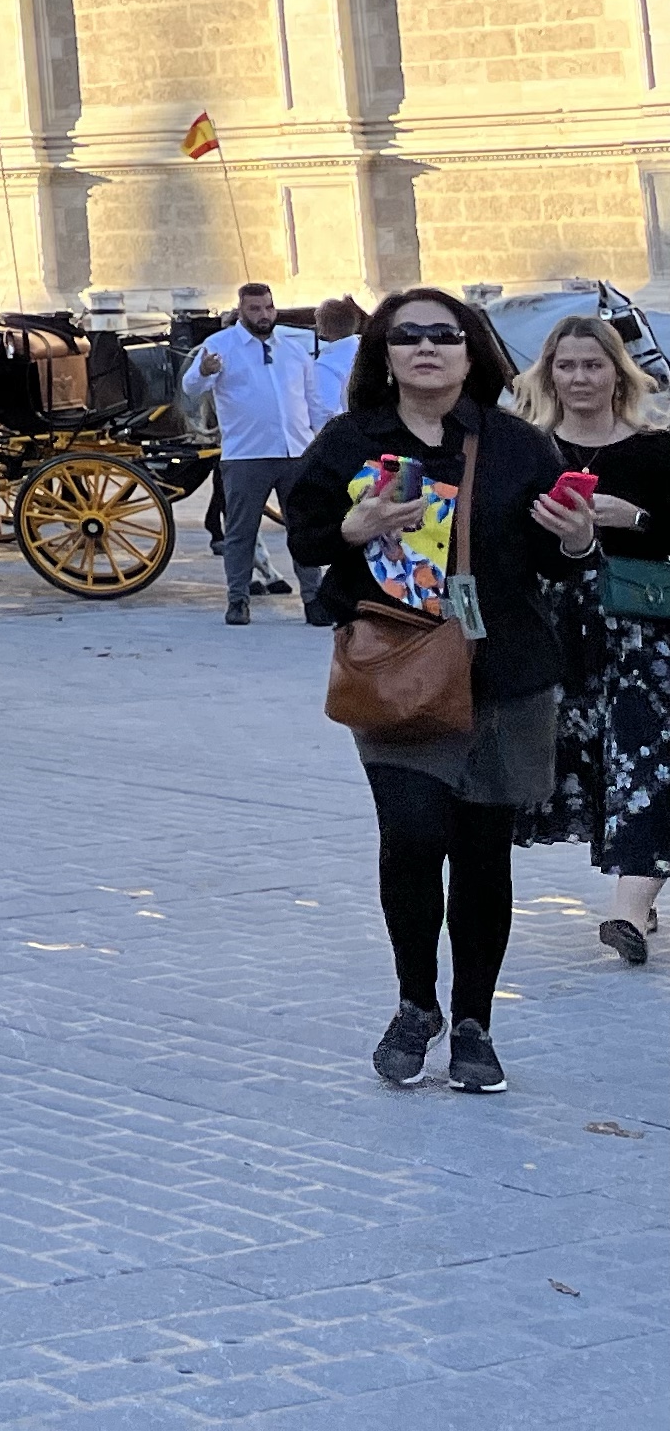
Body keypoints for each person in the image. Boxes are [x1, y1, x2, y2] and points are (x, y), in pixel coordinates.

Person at [283, 285, 593, 1093]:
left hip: (504, 671)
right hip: (399, 669)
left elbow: (559, 560)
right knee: (414, 838)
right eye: (408, 335)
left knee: (484, 855)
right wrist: (350, 529)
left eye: (444, 335)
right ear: (383, 354)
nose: (426, 347)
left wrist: (578, 540)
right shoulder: (352, 440)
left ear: (470, 351)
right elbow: (306, 532)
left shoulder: (517, 443)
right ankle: (415, 1003)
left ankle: (474, 1023)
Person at [507, 314, 670, 966]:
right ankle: (641, 896)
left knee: (649, 758)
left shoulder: (657, 450)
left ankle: (627, 911)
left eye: (593, 365)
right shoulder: (529, 452)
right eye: (567, 365)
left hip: (644, 635)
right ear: (549, 375)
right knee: (593, 764)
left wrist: (637, 518)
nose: (580, 378)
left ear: (617, 374)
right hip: (557, 635)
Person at [186, 282, 323, 624]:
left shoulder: (293, 350)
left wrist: (324, 440)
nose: (264, 315)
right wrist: (204, 372)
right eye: (255, 309)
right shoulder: (220, 346)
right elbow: (191, 387)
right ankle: (238, 599)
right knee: (240, 532)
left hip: (296, 452)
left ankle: (314, 599)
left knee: (303, 529)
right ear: (241, 310)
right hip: (247, 455)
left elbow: (313, 403)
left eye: (268, 307)